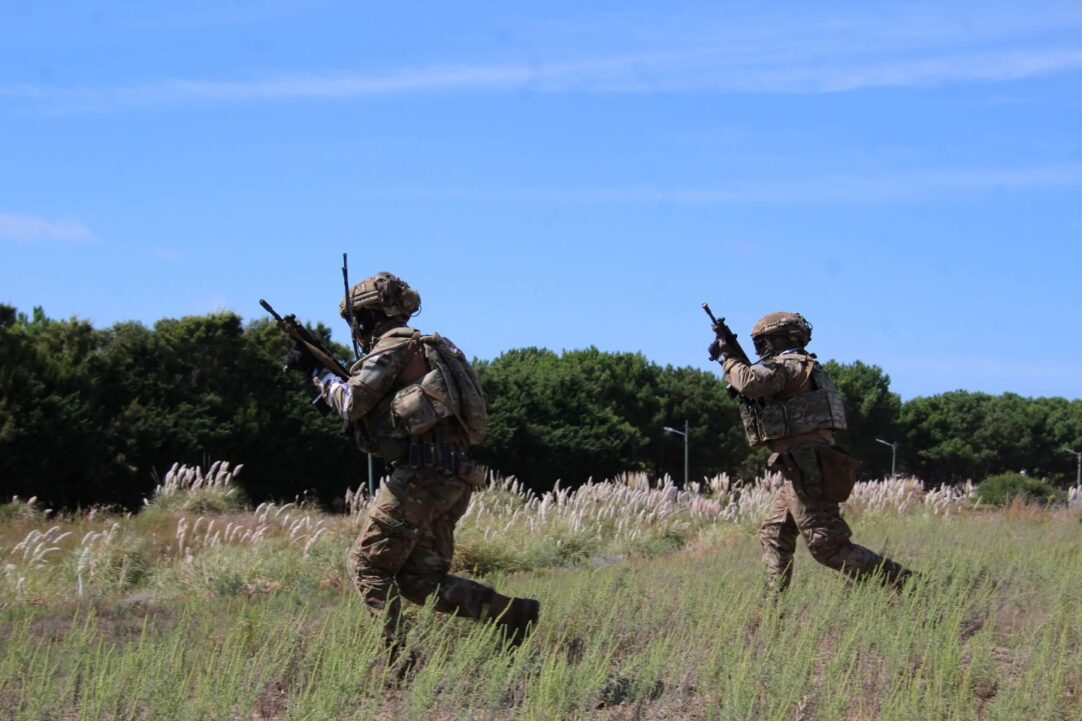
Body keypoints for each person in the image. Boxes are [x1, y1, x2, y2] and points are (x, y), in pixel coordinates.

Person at [292, 272, 539, 647]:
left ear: (368, 317)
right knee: (418, 580)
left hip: (420, 478)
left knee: (368, 565)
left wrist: (318, 375)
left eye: (356, 321)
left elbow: (353, 401)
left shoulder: (393, 346)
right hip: (453, 477)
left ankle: (396, 661)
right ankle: (511, 616)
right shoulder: (430, 347)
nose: (356, 329)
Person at [709, 311, 912, 593]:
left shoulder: (791, 366)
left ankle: (908, 584)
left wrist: (727, 358)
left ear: (780, 339)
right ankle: (773, 610)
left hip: (806, 468)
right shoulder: (804, 367)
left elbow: (751, 383)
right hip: (801, 466)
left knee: (827, 548)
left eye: (763, 343)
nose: (760, 350)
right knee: (774, 534)